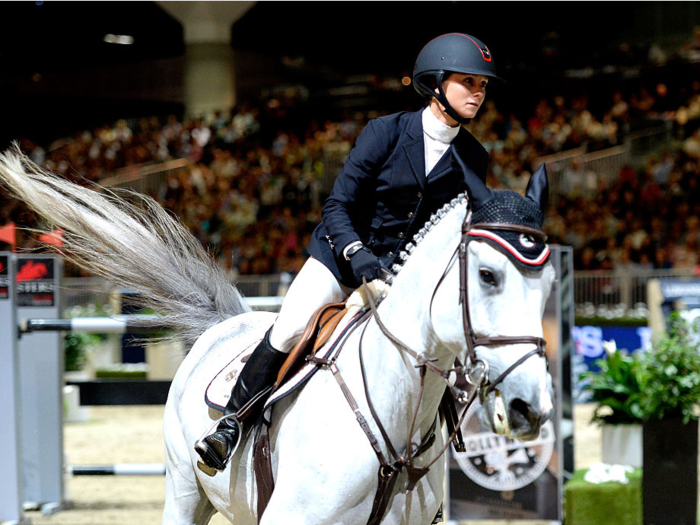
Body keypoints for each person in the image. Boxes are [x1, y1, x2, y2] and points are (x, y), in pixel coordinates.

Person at [195, 32, 504, 471]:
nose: (478, 93)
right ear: (436, 83)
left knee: (443, 353)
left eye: (482, 86)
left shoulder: (474, 156)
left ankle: (435, 465)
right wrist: (356, 254)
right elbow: (337, 204)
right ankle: (232, 425)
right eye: (468, 82)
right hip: (341, 260)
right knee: (290, 327)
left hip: (400, 283)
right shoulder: (385, 132)